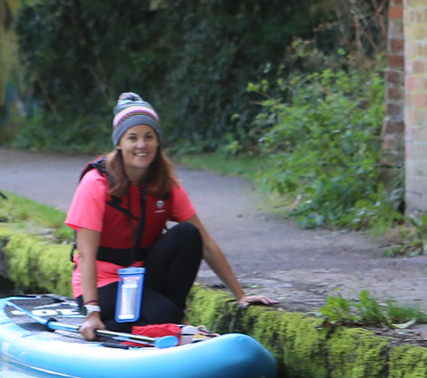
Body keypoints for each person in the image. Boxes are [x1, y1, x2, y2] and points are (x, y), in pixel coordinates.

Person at [66, 93, 276, 340]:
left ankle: (173, 317)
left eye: (149, 137)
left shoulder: (164, 184)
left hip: (141, 278)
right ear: (119, 143)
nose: (141, 145)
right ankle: (134, 323)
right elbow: (86, 254)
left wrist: (240, 295)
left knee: (187, 234)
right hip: (102, 284)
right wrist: (92, 310)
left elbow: (206, 244)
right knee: (162, 314)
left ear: (157, 142)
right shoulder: (96, 184)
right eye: (132, 138)